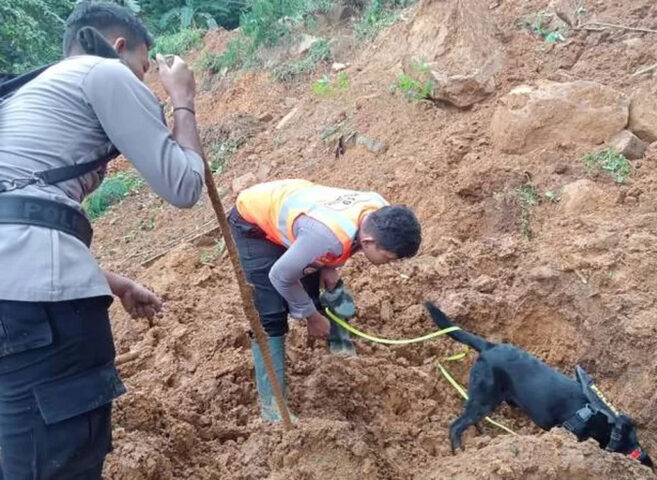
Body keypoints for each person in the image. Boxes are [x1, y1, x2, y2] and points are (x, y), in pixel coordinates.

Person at [0, 2, 205, 477]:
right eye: (144, 65)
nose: (143, 76)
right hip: (34, 308)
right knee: (59, 459)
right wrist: (183, 99)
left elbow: (23, 215)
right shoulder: (103, 73)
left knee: (23, 449)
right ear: (119, 48)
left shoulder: (28, 94)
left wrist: (116, 282)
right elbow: (183, 185)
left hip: (15, 298)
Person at [228, 178, 421, 421]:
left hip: (300, 213)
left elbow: (342, 237)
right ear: (370, 242)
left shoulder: (379, 209)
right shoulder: (326, 237)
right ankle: (273, 406)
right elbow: (280, 275)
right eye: (389, 258)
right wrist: (311, 316)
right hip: (253, 221)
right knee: (271, 312)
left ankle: (337, 341)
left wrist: (331, 265)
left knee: (312, 281)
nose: (390, 264)